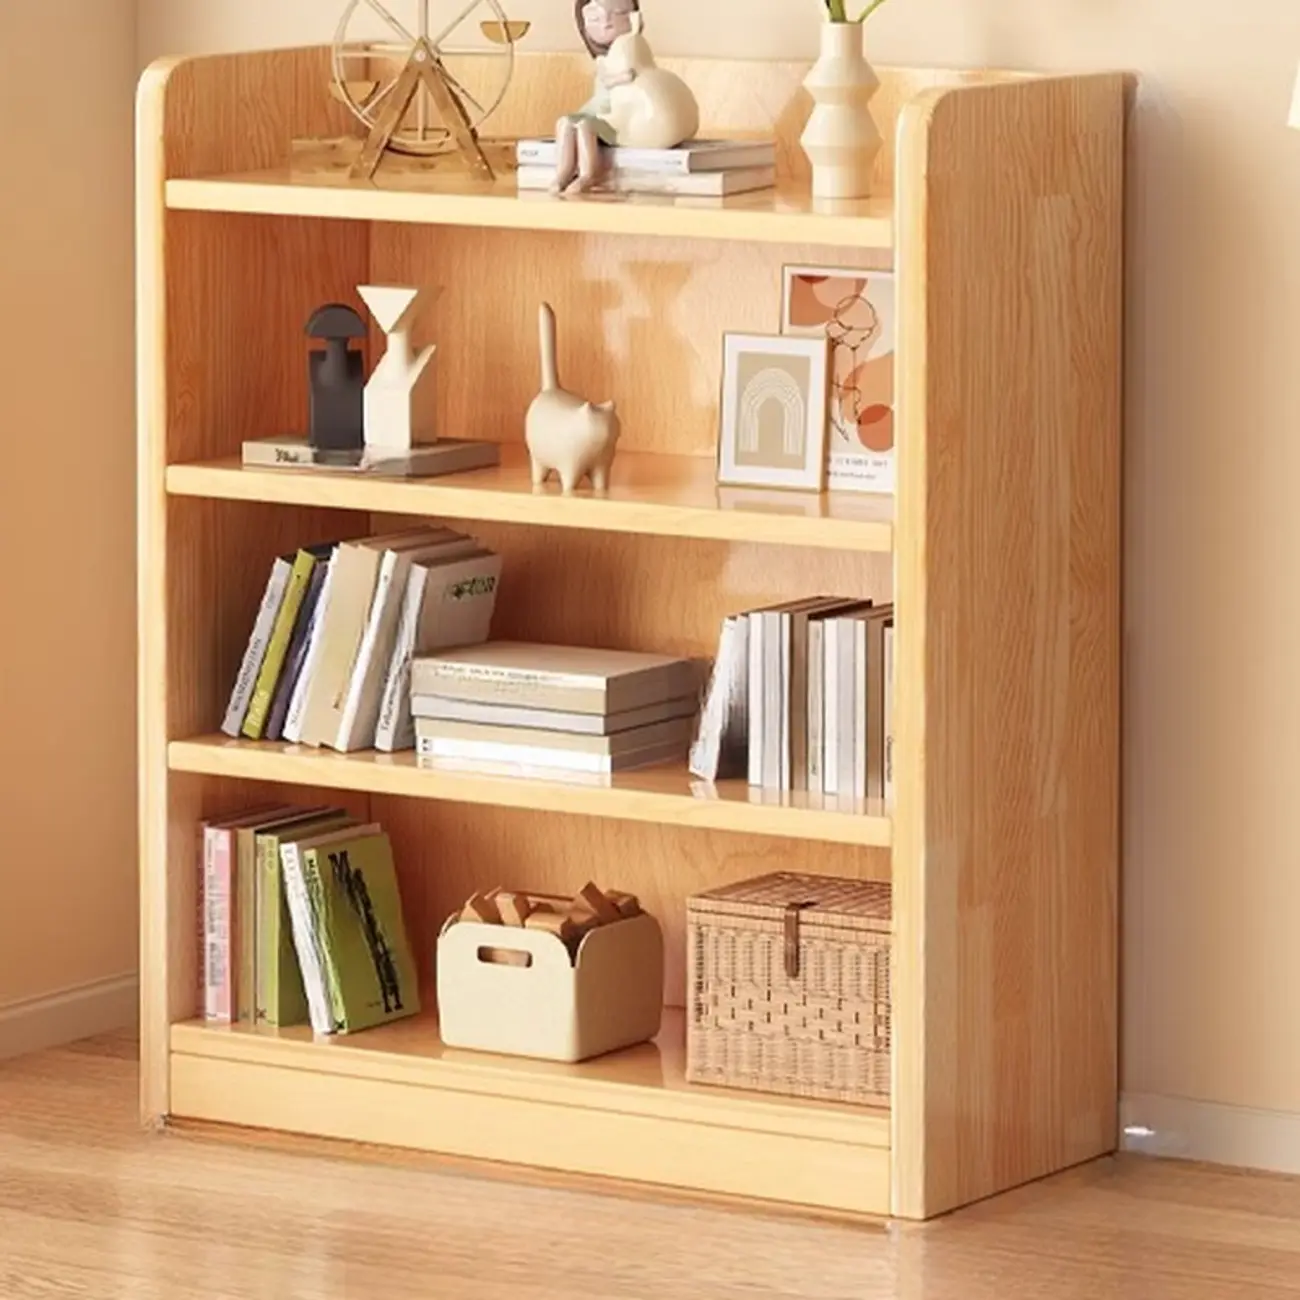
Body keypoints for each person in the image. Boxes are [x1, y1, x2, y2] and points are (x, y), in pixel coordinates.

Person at [551, 0, 641, 193]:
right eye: (594, 18)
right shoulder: (602, 61)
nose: (606, 23)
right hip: (596, 110)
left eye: (618, 14)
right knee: (565, 123)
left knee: (585, 126)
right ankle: (563, 172)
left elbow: (629, 76)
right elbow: (608, 80)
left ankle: (589, 174)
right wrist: (623, 76)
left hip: (615, 117)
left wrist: (635, 33)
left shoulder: (633, 56)